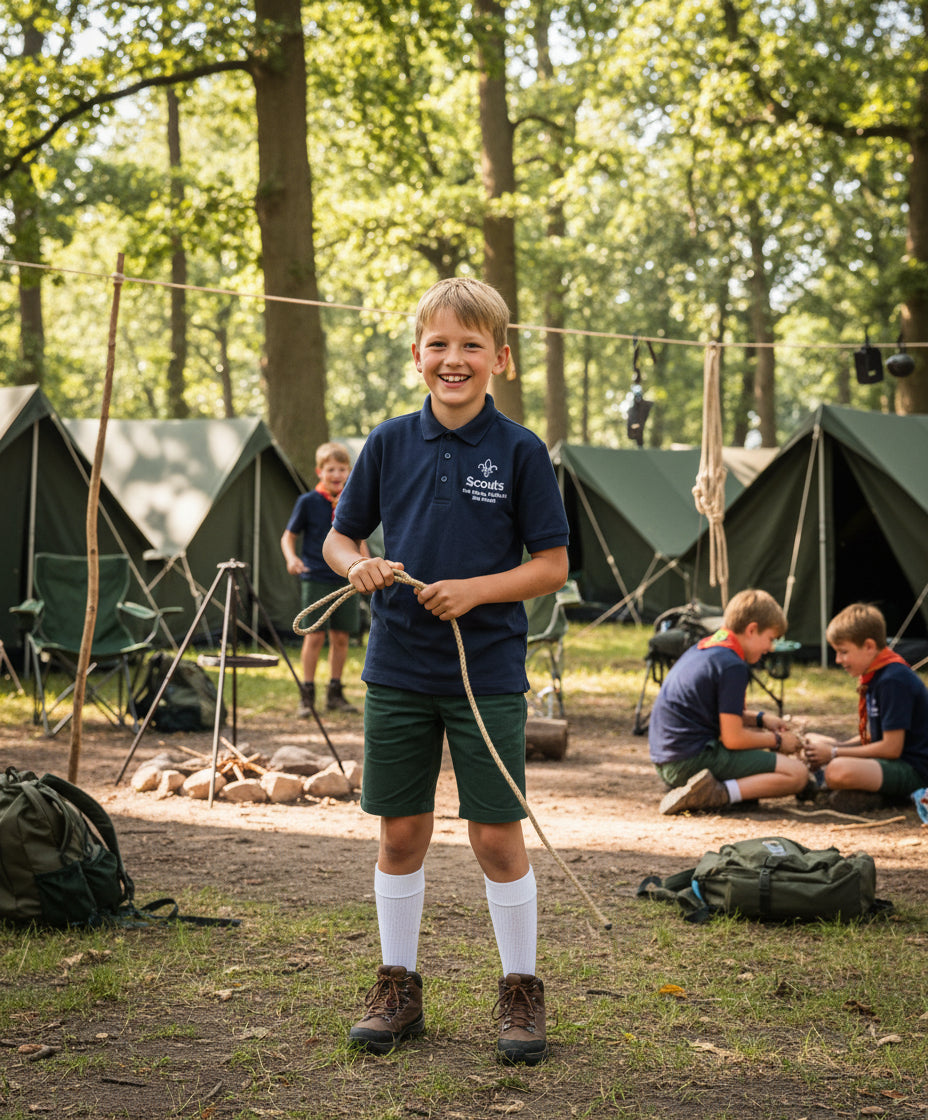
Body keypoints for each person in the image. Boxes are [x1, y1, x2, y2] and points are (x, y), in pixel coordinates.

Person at [322, 277, 569, 1066]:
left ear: (499, 357)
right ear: (417, 356)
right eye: (438, 345)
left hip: (486, 671)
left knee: (496, 837)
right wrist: (355, 565)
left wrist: (475, 592)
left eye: (470, 346)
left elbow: (552, 565)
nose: (453, 359)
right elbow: (339, 537)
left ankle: (521, 989)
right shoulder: (388, 442)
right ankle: (398, 986)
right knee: (402, 832)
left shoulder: (521, 450)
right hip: (396, 665)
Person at [649, 589, 809, 815]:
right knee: (797, 774)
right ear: (752, 630)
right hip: (689, 762)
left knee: (764, 752)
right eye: (770, 639)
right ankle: (718, 793)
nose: (770, 648)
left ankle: (720, 788)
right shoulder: (732, 665)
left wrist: (763, 720)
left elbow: (719, 712)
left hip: (666, 761)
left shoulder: (709, 647)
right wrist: (778, 740)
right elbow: (733, 738)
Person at [801, 603, 928, 812]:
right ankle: (855, 789)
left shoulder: (893, 680)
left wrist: (833, 753)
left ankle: (882, 795)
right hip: (888, 761)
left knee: (837, 770)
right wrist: (832, 749)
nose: (838, 660)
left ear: (869, 646)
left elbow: (891, 748)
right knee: (811, 741)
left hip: (913, 770)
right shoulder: (876, 674)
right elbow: (872, 738)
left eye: (843, 652)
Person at [281, 441, 366, 715]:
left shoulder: (352, 501)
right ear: (320, 471)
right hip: (315, 576)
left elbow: (358, 538)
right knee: (314, 636)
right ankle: (306, 695)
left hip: (346, 578)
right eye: (331, 469)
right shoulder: (307, 502)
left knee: (341, 638)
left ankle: (335, 693)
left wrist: (363, 566)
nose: (336, 475)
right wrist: (292, 559)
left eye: (342, 469)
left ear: (349, 472)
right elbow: (288, 536)